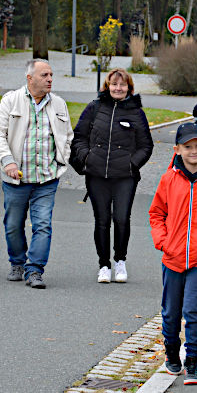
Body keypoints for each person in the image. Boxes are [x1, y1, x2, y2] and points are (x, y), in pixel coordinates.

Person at [0, 59, 74, 289]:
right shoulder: (11, 101)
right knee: (13, 225)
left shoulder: (59, 104)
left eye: (51, 75)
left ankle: (35, 270)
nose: (49, 79)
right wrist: (7, 162)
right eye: (44, 75)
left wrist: (60, 160)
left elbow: (67, 136)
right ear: (30, 78)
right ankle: (17, 262)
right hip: (16, 180)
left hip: (47, 178)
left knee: (43, 224)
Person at [149, 122, 197, 385]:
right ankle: (171, 352)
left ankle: (193, 359)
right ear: (178, 149)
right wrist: (163, 242)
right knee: (170, 312)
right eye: (188, 147)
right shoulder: (169, 179)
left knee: (194, 310)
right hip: (172, 257)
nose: (194, 151)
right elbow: (156, 213)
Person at [70, 68, 154, 283]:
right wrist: (86, 157)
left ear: (129, 88)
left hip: (125, 176)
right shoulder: (95, 108)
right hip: (97, 174)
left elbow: (146, 146)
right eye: (114, 84)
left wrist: (131, 164)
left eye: (122, 85)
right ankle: (104, 264)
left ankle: (120, 261)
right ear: (107, 86)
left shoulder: (137, 113)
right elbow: (79, 137)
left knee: (121, 219)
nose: (118, 88)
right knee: (102, 220)